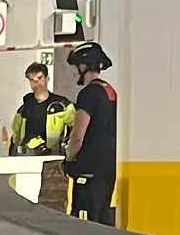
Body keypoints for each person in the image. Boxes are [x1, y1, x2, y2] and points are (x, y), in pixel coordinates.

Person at [63, 42, 117, 225]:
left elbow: (78, 136)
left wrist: (69, 158)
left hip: (89, 171)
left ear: (84, 66)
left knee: (84, 224)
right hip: (109, 168)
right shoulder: (110, 91)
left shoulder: (88, 94)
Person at [9, 62, 75, 155]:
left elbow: (75, 131)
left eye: (39, 78)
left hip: (54, 158)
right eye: (32, 80)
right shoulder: (24, 110)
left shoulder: (63, 106)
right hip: (27, 159)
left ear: (47, 78)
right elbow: (16, 138)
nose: (36, 83)